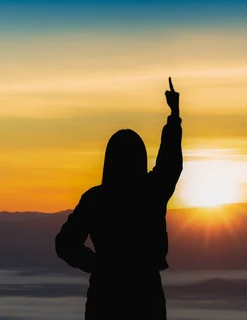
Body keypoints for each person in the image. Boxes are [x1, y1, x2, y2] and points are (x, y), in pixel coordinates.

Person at [55, 77, 183, 320]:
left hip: (105, 299)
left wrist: (97, 265)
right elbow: (170, 164)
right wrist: (174, 117)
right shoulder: (150, 193)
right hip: (145, 297)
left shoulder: (96, 199)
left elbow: (64, 244)